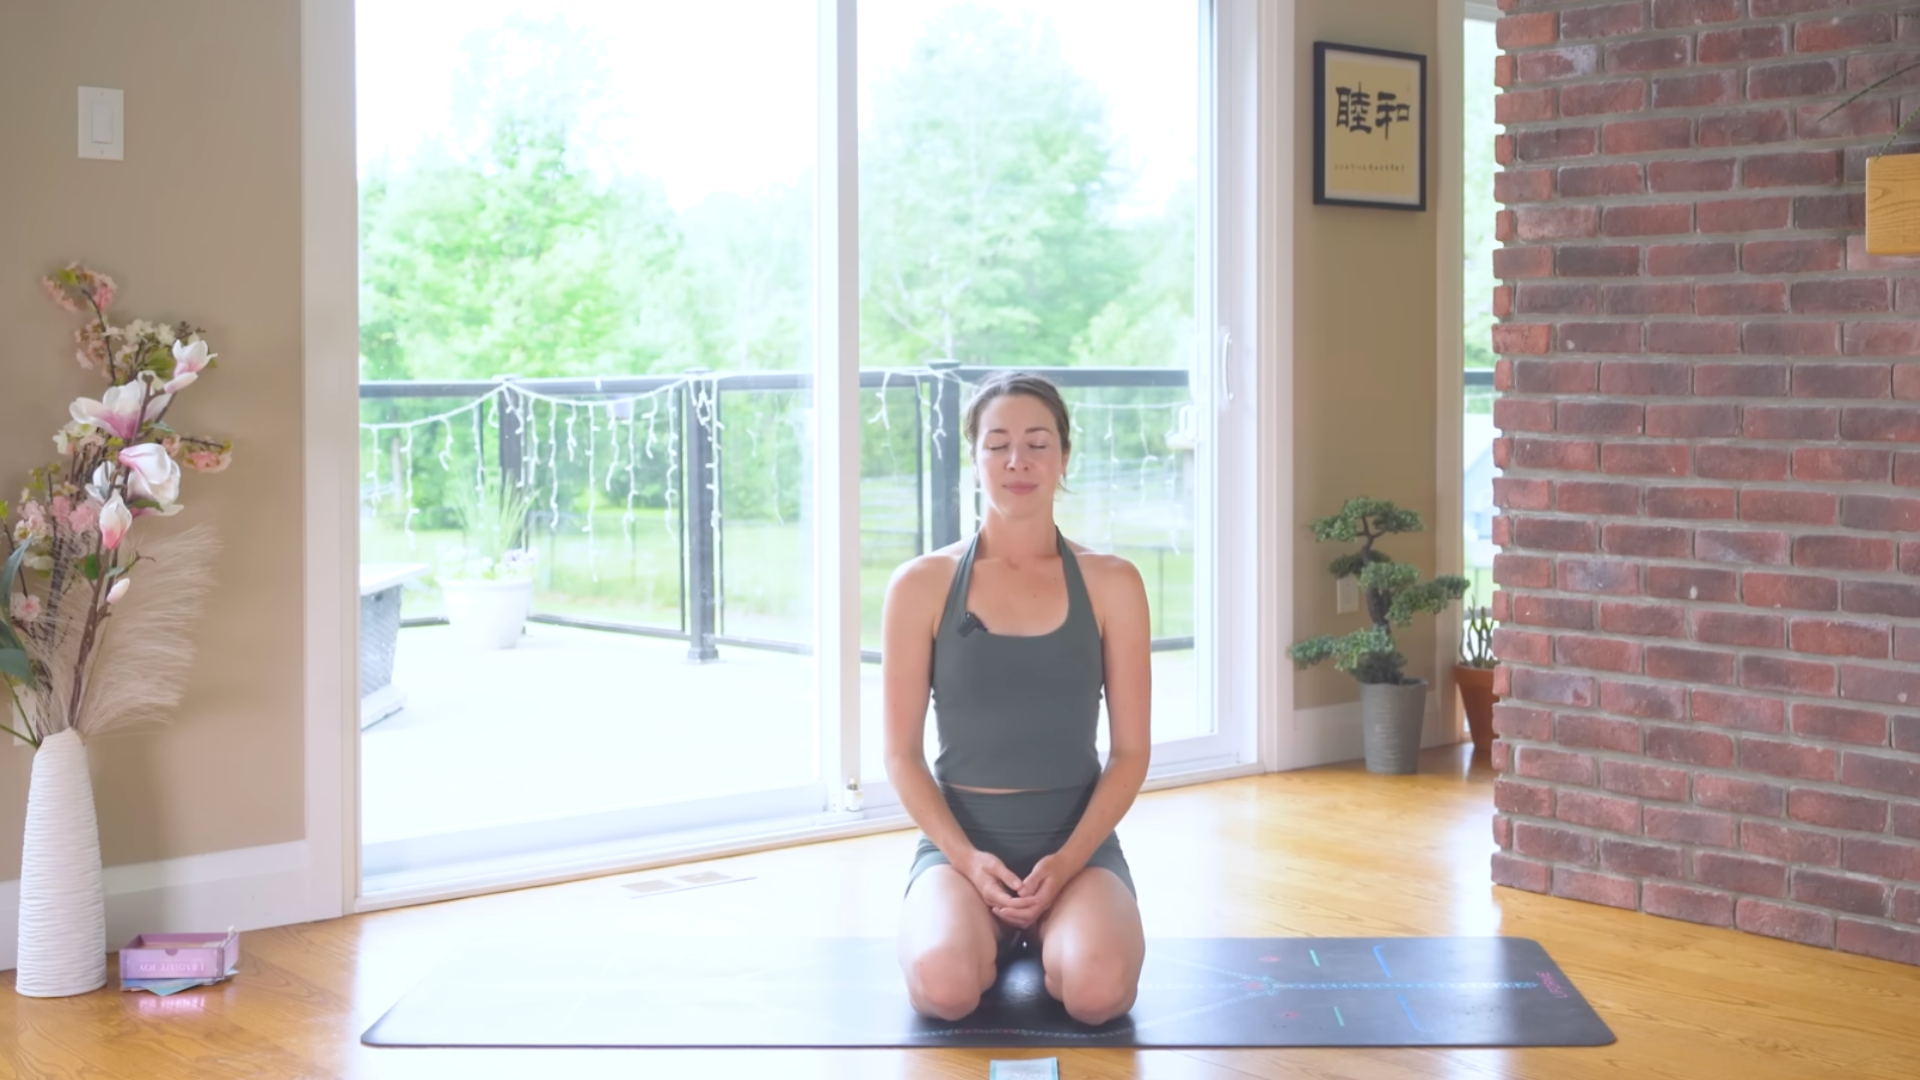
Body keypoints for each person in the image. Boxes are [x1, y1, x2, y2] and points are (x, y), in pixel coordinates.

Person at [883, 371, 1152, 1027]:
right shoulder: (920, 585)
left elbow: (1131, 753)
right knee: (943, 988)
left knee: (1098, 994)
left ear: (1063, 457)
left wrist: (1066, 863)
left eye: (1037, 443)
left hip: (1077, 847)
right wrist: (969, 863)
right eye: (998, 443)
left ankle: (1058, 931)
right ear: (974, 458)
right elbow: (901, 757)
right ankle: (980, 934)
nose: (1017, 461)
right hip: (962, 846)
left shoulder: (1113, 583)